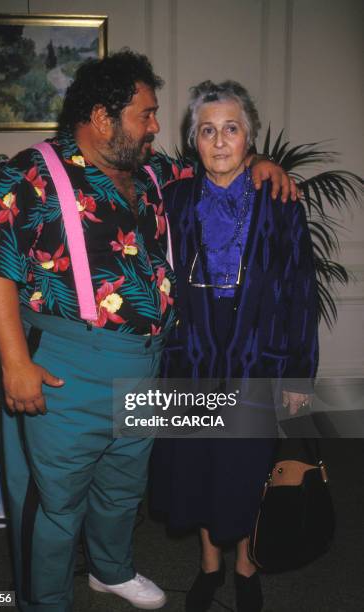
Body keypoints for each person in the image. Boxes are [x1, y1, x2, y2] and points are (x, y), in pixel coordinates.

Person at [0, 50, 295, 612]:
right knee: (56, 501)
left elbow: (218, 161)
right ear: (103, 117)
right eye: (145, 115)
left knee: (122, 485)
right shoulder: (30, 172)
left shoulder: (151, 171)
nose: (155, 127)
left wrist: (262, 160)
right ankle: (41, 602)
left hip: (148, 360)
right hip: (69, 366)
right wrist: (14, 362)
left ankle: (111, 570)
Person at [150, 80, 319, 612]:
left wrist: (297, 375)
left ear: (250, 137)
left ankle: (246, 565)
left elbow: (300, 288)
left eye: (231, 128)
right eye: (207, 130)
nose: (219, 141)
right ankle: (208, 566)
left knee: (244, 469)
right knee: (198, 466)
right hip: (192, 355)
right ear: (192, 139)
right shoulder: (172, 197)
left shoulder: (280, 200)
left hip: (255, 357)